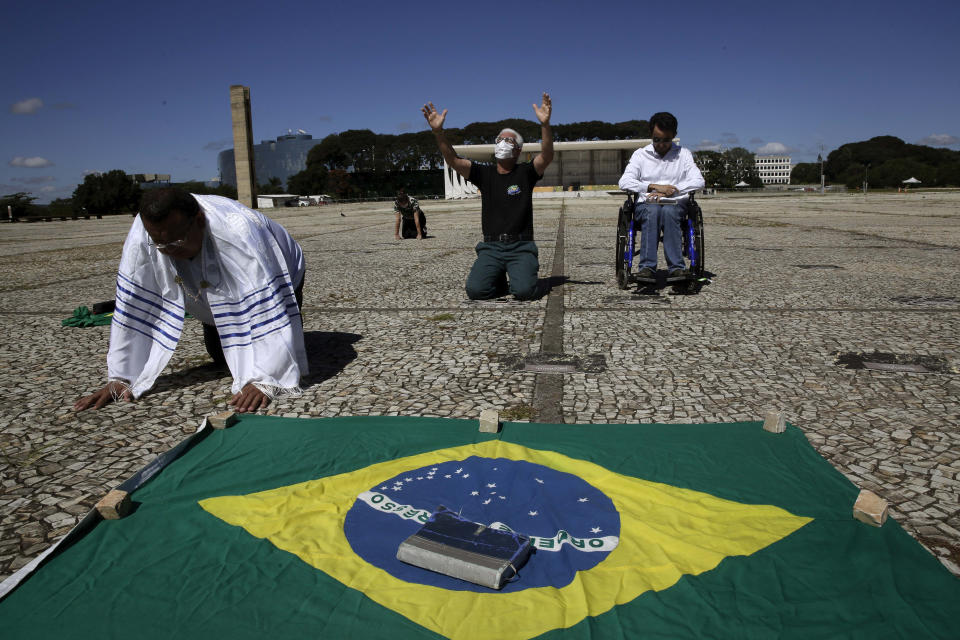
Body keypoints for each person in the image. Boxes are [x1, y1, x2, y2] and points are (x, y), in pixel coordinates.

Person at [74, 188, 308, 414]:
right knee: (221, 356)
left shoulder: (239, 230)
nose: (167, 251)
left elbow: (265, 305)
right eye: (159, 243)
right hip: (205, 288)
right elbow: (133, 303)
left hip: (282, 270)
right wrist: (122, 376)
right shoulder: (146, 232)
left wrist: (266, 377)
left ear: (199, 220)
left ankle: (288, 343)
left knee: (275, 353)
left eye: (176, 241)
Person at [422, 93, 553, 300]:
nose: (503, 142)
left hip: (521, 246)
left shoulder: (525, 173)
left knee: (524, 292)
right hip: (491, 246)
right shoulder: (484, 174)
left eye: (508, 140)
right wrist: (438, 132)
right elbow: (453, 160)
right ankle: (498, 276)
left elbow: (546, 156)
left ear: (518, 150)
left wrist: (545, 125)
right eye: (500, 139)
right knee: (475, 291)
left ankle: (523, 276)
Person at [618, 112, 705, 281]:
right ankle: (647, 268)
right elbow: (624, 181)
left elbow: (699, 181)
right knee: (653, 211)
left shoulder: (684, 154)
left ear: (674, 136)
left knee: (668, 212)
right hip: (647, 203)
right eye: (657, 139)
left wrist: (673, 190)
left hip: (676, 204)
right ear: (651, 134)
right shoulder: (640, 155)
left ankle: (676, 268)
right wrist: (652, 186)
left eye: (666, 140)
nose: (661, 144)